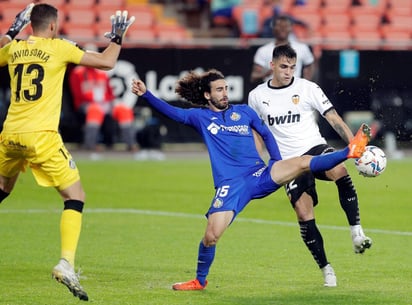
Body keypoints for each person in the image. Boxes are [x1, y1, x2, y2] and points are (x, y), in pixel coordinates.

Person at [131, 69, 370, 290]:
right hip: (231, 185)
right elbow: (171, 112)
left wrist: (275, 161)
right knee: (211, 236)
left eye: (226, 89)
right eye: (219, 90)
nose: (225, 94)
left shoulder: (243, 112)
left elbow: (266, 134)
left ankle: (350, 151)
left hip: (259, 175)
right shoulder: (199, 117)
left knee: (301, 161)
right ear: (207, 95)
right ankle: (199, 281)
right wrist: (147, 95)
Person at [0, 3, 134, 301]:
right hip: (42, 137)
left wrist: (10, 32)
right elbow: (107, 62)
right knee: (75, 196)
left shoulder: (14, 49)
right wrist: (118, 37)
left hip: (9, 134)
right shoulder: (58, 47)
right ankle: (66, 264)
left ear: (29, 24)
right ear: (52, 26)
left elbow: (2, 49)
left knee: (3, 188)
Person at [248, 44, 372, 287]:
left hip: (314, 148)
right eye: (283, 67)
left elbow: (334, 118)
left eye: (293, 67)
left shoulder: (308, 88)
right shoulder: (257, 96)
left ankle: (357, 232)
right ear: (271, 66)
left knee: (339, 169)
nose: (288, 72)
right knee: (304, 214)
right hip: (288, 161)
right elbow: (258, 134)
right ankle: (326, 269)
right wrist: (255, 162)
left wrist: (357, 148)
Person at [69, 43, 136, 155]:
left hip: (105, 103)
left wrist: (112, 103)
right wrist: (92, 103)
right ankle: (90, 144)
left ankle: (131, 144)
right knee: (95, 110)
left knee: (123, 109)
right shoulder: (78, 72)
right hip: (87, 104)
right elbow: (76, 94)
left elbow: (109, 93)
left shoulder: (101, 72)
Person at [250, 14, 315, 85]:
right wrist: (267, 74)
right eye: (279, 26)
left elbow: (309, 65)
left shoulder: (302, 48)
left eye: (286, 26)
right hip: (272, 92)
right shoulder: (263, 51)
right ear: (273, 28)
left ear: (291, 28)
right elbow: (254, 76)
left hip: (295, 92)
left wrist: (305, 83)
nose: (283, 28)